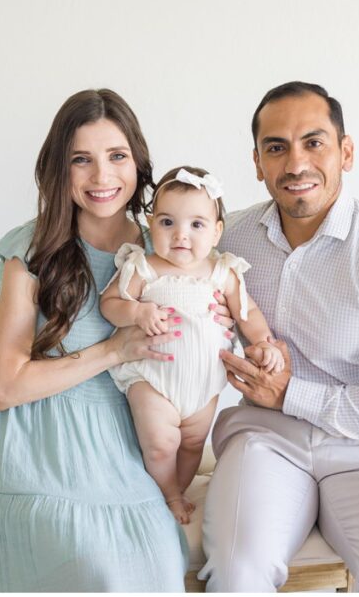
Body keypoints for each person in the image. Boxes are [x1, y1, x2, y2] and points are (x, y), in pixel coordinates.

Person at [0, 89, 202, 591]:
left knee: (150, 567)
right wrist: (112, 350)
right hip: (35, 445)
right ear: (61, 170)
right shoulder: (32, 251)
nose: (102, 177)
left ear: (138, 162)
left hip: (128, 446)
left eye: (116, 156)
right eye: (82, 160)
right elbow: (4, 388)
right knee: (83, 562)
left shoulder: (164, 246)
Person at [198, 82, 359, 592]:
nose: (295, 164)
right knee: (235, 572)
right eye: (277, 148)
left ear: (346, 152)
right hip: (265, 439)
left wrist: (293, 394)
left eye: (313, 142)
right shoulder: (226, 240)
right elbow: (161, 275)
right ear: (257, 163)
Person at [100, 165, 283, 526]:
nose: (181, 235)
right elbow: (110, 304)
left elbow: (248, 312)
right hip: (153, 378)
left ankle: (179, 489)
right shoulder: (143, 268)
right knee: (160, 443)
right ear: (151, 224)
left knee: (192, 445)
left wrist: (264, 342)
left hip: (202, 384)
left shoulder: (222, 271)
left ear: (216, 233)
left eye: (196, 225)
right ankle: (167, 494)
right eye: (167, 222)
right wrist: (137, 312)